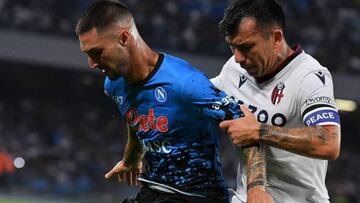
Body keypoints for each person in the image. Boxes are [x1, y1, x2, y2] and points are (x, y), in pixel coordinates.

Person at [75, 1, 272, 202]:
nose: (91, 63)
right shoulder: (114, 84)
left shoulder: (186, 83)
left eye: (96, 52)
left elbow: (249, 129)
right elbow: (134, 115)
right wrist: (132, 156)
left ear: (124, 38)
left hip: (196, 196)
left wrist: (256, 188)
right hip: (152, 191)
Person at [211, 0, 341, 202]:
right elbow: (202, 95)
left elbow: (330, 142)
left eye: (246, 47)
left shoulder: (310, 76)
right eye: (232, 47)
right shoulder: (234, 69)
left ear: (276, 38)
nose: (238, 58)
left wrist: (259, 130)